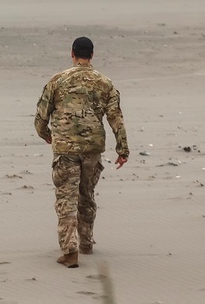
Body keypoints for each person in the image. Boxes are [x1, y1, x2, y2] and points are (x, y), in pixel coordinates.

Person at [35, 36, 129, 268]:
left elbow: (41, 116)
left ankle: (70, 251)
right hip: (92, 149)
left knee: (66, 199)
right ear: (92, 55)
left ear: (72, 54)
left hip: (65, 149)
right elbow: (115, 117)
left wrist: (46, 135)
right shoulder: (105, 83)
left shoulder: (57, 81)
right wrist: (122, 148)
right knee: (86, 195)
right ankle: (86, 243)